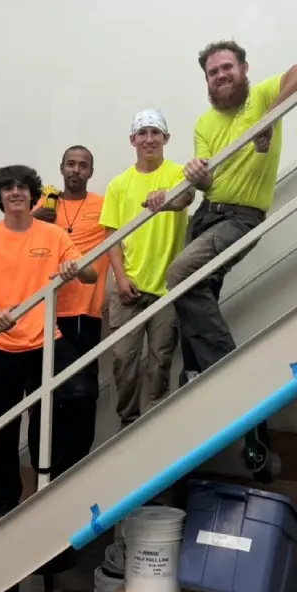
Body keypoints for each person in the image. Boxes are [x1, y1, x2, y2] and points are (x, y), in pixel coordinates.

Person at [168, 40, 297, 478]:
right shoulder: (204, 121)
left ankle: (230, 384)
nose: (220, 76)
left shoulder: (261, 95)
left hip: (240, 218)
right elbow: (206, 179)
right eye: (213, 73)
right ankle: (211, 388)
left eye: (226, 68)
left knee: (179, 276)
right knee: (191, 302)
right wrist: (197, 175)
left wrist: (272, 117)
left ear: (244, 68)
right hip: (206, 215)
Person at [0, 164, 100, 519]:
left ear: (33, 194)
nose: (15, 192)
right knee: (2, 431)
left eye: (22, 187)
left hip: (46, 341)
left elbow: (90, 275)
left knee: (80, 396)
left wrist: (76, 268)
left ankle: (53, 487)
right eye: (7, 187)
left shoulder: (52, 234)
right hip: (2, 348)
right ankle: (6, 505)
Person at [101, 109, 193, 428]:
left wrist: (169, 198)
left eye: (156, 132)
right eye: (143, 133)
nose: (149, 139)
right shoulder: (118, 185)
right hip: (129, 286)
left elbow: (187, 198)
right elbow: (111, 235)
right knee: (123, 361)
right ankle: (129, 422)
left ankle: (154, 425)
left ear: (166, 138)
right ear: (133, 140)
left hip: (167, 287)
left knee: (161, 361)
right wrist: (121, 278)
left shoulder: (178, 173)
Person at [33, 145, 110, 391]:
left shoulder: (104, 205)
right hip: (45, 311)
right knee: (42, 388)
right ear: (62, 168)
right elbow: (16, 239)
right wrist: (35, 220)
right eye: (70, 164)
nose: (76, 170)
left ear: (91, 172)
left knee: (83, 385)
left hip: (84, 310)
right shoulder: (44, 205)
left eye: (83, 165)